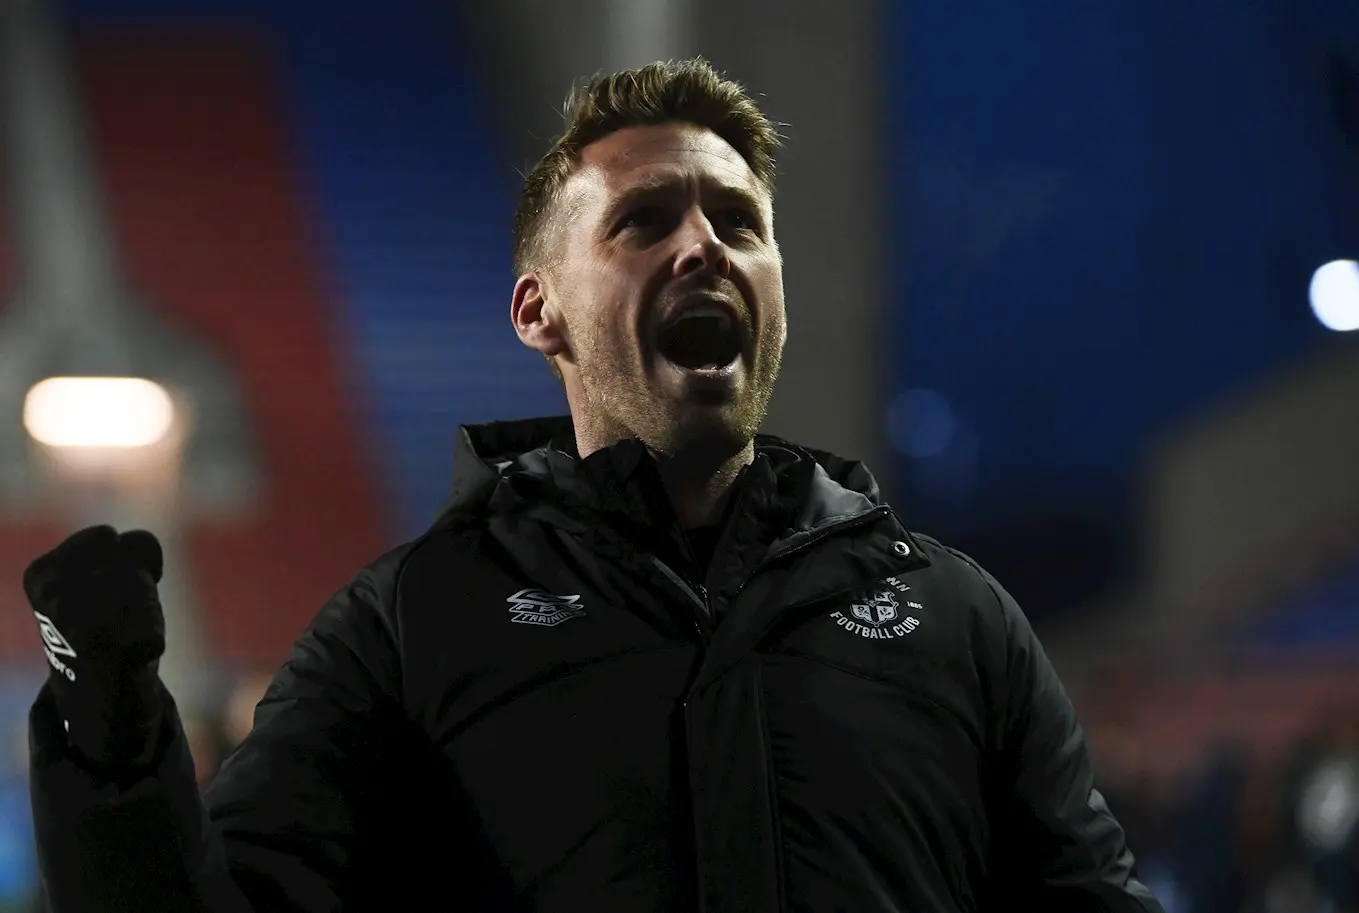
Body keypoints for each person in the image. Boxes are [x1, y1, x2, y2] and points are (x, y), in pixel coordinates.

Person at [21, 58, 1164, 912]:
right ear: (540, 311)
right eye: (644, 221)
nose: (704, 246)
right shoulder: (412, 624)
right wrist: (110, 741)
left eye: (740, 222)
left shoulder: (956, 620)